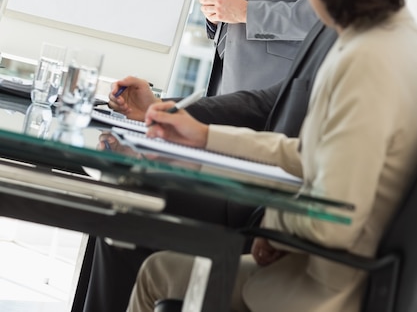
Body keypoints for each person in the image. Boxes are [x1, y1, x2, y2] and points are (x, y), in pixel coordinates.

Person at [127, 0, 417, 312]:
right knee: (161, 266)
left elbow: (336, 218)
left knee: (158, 272)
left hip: (321, 292)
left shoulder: (366, 61)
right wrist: (205, 135)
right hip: (336, 275)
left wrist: (273, 226)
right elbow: (308, 154)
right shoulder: (395, 40)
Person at [72, 19, 338, 312]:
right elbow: (265, 104)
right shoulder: (330, 30)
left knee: (129, 207)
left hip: (274, 226)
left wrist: (279, 224)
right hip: (254, 204)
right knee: (126, 199)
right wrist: (161, 109)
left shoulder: (366, 52)